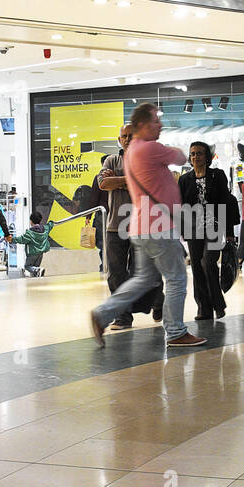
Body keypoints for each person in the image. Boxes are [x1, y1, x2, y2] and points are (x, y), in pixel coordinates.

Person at [89, 102, 206, 347]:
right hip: (158, 226)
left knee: (143, 279)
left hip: (141, 226)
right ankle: (175, 332)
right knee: (176, 279)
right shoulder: (150, 148)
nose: (160, 124)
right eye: (155, 121)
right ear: (142, 125)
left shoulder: (131, 151)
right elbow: (181, 156)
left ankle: (102, 314)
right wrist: (167, 151)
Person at [96, 123, 162, 329]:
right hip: (115, 226)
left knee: (141, 271)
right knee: (116, 273)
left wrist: (119, 180)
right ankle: (122, 316)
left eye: (130, 135)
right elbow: (103, 184)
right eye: (123, 136)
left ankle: (158, 300)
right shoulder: (111, 160)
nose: (127, 139)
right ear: (119, 140)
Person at [178, 141, 236, 320]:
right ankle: (203, 308)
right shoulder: (184, 179)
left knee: (208, 263)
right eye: (193, 153)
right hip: (192, 226)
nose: (196, 157)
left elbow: (226, 202)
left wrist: (229, 232)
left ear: (207, 156)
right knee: (196, 267)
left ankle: (218, 304)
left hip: (214, 224)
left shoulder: (217, 176)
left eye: (199, 153)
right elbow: (181, 205)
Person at [13, 211, 54, 277]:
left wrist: (12, 239)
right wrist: (51, 222)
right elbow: (50, 225)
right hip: (40, 254)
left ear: (31, 221)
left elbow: (21, 239)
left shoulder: (30, 233)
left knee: (28, 266)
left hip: (32, 254)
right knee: (36, 270)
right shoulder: (45, 229)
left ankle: (36, 270)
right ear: (40, 220)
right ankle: (36, 276)